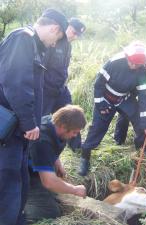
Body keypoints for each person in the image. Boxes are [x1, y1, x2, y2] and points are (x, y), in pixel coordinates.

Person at [0, 8, 67, 225]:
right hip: (10, 126)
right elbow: (16, 83)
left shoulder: (35, 46)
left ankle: (16, 218)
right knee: (8, 179)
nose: (55, 43)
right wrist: (30, 123)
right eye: (57, 37)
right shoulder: (22, 39)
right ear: (55, 28)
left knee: (19, 179)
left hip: (19, 130)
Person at [78, 41, 146, 176]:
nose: (134, 66)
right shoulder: (114, 62)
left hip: (124, 98)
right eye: (132, 62)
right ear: (127, 56)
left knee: (140, 122)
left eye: (137, 65)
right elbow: (98, 84)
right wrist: (100, 104)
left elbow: (144, 97)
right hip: (106, 98)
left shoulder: (142, 71)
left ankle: (141, 151)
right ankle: (84, 157)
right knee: (97, 128)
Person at [25, 105, 87, 223]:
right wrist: (75, 190)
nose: (75, 136)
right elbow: (48, 182)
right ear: (63, 126)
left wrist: (56, 161)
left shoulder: (53, 122)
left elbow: (52, 147)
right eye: (74, 132)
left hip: (34, 162)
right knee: (49, 212)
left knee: (54, 193)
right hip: (20, 173)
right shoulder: (42, 141)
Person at [43, 18, 86, 151]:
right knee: (42, 119)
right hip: (46, 90)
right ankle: (39, 147)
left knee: (73, 114)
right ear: (66, 27)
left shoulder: (68, 45)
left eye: (77, 35)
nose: (74, 36)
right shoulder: (52, 42)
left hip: (61, 88)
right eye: (73, 32)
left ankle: (76, 146)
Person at [113, 55, 146, 145]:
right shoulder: (139, 71)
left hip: (145, 94)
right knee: (125, 114)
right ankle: (119, 139)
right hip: (131, 92)